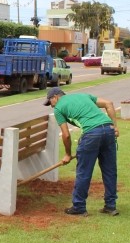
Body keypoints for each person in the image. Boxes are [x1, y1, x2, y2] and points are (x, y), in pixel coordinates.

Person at [44, 87, 119, 216]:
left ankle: (79, 206)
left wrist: (67, 154)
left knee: (84, 172)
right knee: (110, 170)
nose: (51, 106)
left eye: (50, 102)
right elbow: (109, 103)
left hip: (91, 134)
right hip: (108, 130)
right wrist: (115, 127)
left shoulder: (58, 109)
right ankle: (111, 206)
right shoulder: (83, 95)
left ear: (55, 97)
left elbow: (66, 135)